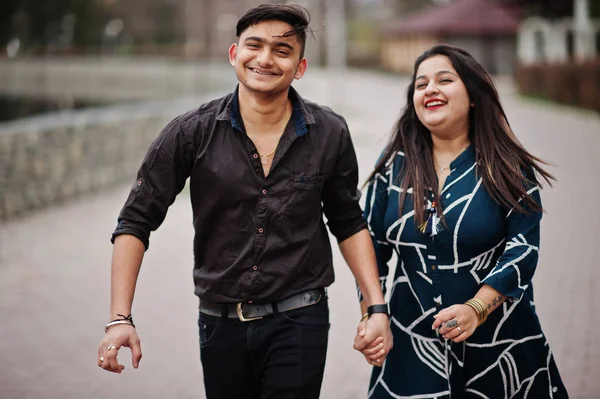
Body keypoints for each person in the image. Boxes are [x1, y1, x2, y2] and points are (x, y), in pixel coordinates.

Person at [96, 4, 392, 399]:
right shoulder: (191, 132)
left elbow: (347, 220)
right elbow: (135, 221)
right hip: (220, 324)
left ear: (299, 67)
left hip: (300, 318)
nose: (265, 59)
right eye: (254, 45)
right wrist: (120, 318)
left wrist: (375, 308)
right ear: (235, 54)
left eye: (282, 50)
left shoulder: (329, 133)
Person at [356, 44, 568, 398]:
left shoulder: (507, 165)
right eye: (420, 85)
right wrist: (372, 316)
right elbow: (370, 249)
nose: (430, 89)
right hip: (412, 344)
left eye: (444, 80)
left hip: (500, 345)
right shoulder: (394, 166)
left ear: (472, 96)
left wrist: (477, 309)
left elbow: (523, 249)